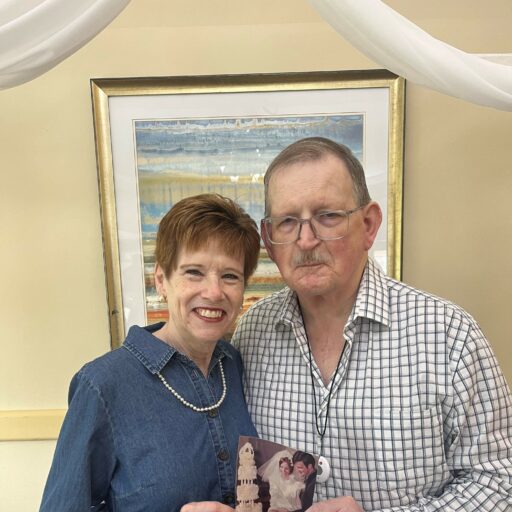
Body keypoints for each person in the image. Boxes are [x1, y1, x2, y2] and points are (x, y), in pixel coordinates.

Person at [182, 138, 512, 512]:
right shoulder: (251, 332)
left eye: (327, 216)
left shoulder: (450, 336)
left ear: (368, 225)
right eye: (287, 222)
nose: (306, 241)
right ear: (270, 242)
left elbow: (500, 481)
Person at [40, 193, 261, 512]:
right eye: (194, 272)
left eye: (230, 276)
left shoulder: (236, 366)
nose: (214, 292)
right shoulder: (103, 385)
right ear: (161, 280)